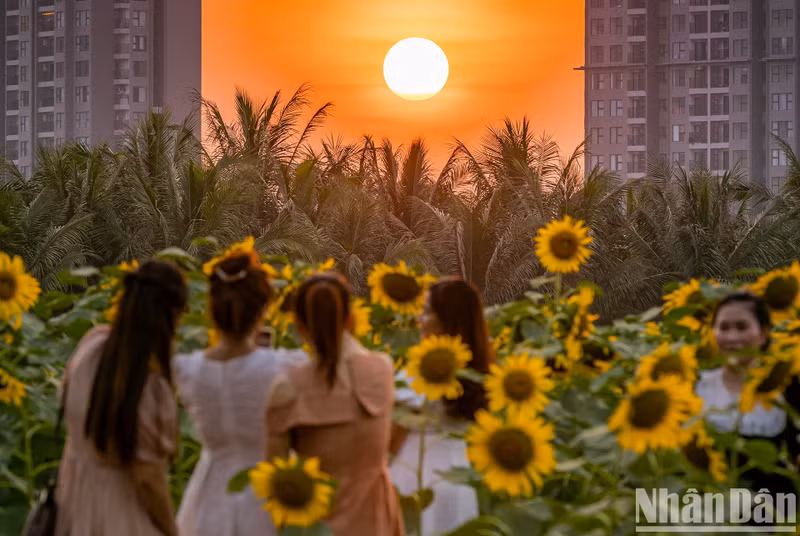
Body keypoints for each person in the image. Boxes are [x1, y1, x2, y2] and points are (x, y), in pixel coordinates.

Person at [174, 252, 306, 536]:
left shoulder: (187, 369)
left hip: (206, 493)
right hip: (263, 495)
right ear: (262, 310)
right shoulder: (284, 366)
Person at [55, 260, 188, 536]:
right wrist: (173, 531)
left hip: (73, 505)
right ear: (170, 315)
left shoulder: (90, 348)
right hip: (122, 514)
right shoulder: (147, 386)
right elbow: (148, 479)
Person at [266, 273, 404, 536]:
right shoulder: (382, 370)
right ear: (351, 318)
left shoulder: (287, 388)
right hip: (376, 525)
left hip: (317, 528)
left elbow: (276, 489)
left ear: (299, 325)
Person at [390, 278, 491, 535]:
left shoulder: (419, 375)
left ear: (447, 321)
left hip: (415, 483)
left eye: (426, 312)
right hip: (458, 483)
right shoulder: (477, 373)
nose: (418, 319)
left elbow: (391, 441)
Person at [696, 292, 800, 496]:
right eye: (723, 327)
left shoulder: (786, 385)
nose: (732, 337)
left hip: (775, 516)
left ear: (763, 333)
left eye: (742, 327)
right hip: (708, 515)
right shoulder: (696, 386)